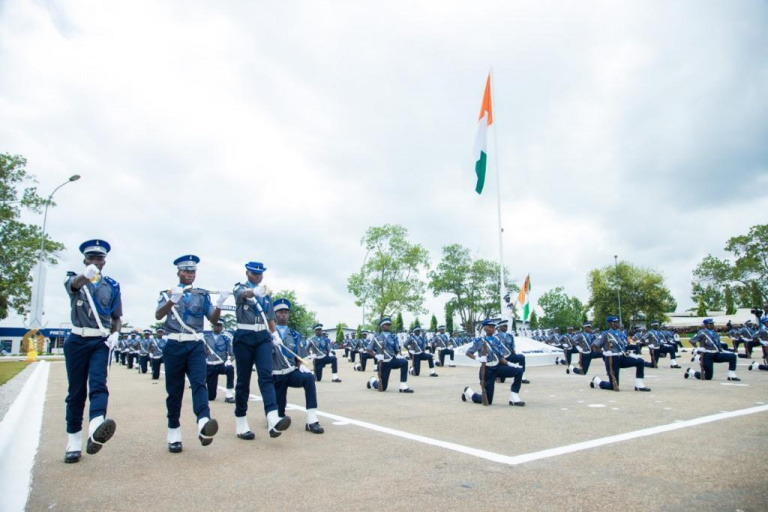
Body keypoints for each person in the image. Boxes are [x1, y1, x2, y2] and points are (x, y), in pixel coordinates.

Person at [155, 255, 226, 453]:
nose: (190, 275)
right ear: (178, 272)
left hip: (195, 345)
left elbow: (212, 318)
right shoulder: (167, 292)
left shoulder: (201, 295)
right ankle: (174, 431)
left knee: (199, 383)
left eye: (193, 271)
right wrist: (172, 300)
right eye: (186, 271)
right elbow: (158, 315)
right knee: (175, 391)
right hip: (174, 345)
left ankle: (203, 421)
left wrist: (219, 304)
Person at [62, 239, 121, 463]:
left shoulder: (112, 285)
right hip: (77, 340)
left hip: (100, 342)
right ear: (85, 259)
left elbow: (116, 316)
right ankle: (74, 440)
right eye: (92, 257)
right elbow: (74, 285)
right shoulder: (74, 278)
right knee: (76, 392)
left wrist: (116, 332)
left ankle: (96, 426)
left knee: (98, 384)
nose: (96, 261)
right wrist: (85, 275)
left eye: (100, 258)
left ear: (105, 261)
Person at [231, 261, 290, 440]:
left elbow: (270, 316)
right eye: (254, 273)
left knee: (266, 376)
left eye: (260, 274)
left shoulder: (265, 293)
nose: (258, 276)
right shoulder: (239, 288)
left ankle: (272, 418)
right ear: (247, 273)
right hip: (244, 337)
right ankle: (241, 422)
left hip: (263, 337)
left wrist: (274, 335)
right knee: (243, 380)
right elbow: (243, 295)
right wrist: (254, 292)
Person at [271, 298, 324, 434]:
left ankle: (312, 420)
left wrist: (299, 366)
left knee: (309, 378)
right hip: (274, 376)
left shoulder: (295, 335)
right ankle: (275, 415)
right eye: (280, 312)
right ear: (274, 314)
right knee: (279, 414)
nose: (283, 315)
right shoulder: (268, 334)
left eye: (286, 312)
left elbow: (298, 356)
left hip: (290, 373)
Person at [461, 319, 525, 406]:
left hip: (497, 367)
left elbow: (500, 357)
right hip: (487, 370)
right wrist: (478, 359)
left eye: (493, 327)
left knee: (519, 371)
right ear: (485, 328)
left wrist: (509, 364)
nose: (492, 329)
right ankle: (469, 393)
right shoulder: (480, 341)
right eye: (490, 327)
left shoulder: (496, 340)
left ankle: (514, 397)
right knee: (488, 400)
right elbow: (468, 353)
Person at [589, 316, 651, 392]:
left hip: (621, 357)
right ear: (610, 323)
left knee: (640, 361)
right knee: (613, 385)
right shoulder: (605, 334)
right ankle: (597, 381)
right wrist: (604, 352)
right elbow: (594, 346)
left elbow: (624, 345)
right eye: (615, 322)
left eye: (617, 322)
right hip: (612, 359)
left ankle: (639, 385)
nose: (617, 323)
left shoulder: (620, 333)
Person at [366, 317, 414, 393]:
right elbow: (368, 350)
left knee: (404, 362)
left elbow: (396, 349)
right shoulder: (377, 338)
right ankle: (372, 381)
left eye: (389, 325)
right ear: (382, 326)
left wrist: (398, 354)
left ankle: (403, 386)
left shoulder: (393, 337)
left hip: (392, 359)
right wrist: (376, 356)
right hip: (383, 363)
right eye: (386, 325)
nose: (388, 326)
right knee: (383, 388)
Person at [204, 321, 236, 403]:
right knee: (211, 397)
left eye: (219, 325)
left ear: (222, 327)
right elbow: (202, 353)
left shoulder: (226, 338)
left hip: (221, 364)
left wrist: (229, 361)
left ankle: (229, 395)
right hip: (210, 365)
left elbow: (233, 354)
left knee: (230, 369)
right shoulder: (206, 338)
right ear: (213, 326)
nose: (217, 327)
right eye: (216, 325)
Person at [497, 320, 530, 384]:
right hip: (501, 359)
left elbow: (512, 348)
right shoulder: (496, 337)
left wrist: (514, 355)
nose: (505, 328)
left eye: (506, 326)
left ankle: (521, 375)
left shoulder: (510, 336)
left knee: (521, 357)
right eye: (504, 326)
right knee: (502, 380)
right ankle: (497, 376)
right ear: (500, 327)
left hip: (509, 356)